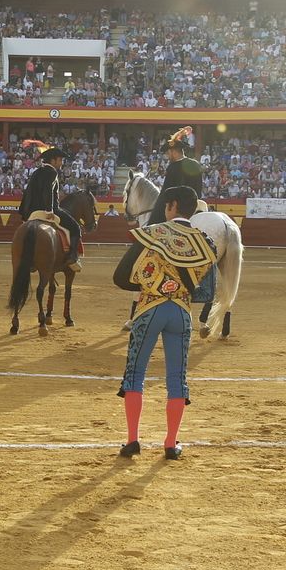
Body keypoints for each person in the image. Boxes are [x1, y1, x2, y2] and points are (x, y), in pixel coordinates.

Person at [113, 185, 217, 460]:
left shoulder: (152, 234)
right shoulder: (204, 241)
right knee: (176, 378)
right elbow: (208, 290)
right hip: (181, 312)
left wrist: (152, 284)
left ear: (170, 206)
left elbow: (121, 277)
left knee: (135, 374)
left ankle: (133, 441)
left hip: (150, 309)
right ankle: (171, 444)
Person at [16, 141, 82, 272]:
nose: (61, 162)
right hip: (49, 209)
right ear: (53, 160)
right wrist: (49, 210)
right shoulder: (52, 172)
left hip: (31, 212)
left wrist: (25, 213)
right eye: (60, 160)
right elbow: (47, 191)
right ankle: (72, 257)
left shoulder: (36, 172)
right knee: (76, 228)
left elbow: (27, 193)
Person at [148, 127, 204, 225]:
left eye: (168, 153)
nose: (168, 156)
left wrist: (154, 218)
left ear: (173, 152)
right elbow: (199, 189)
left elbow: (166, 193)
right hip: (195, 206)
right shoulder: (196, 164)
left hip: (179, 211)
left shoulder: (173, 167)